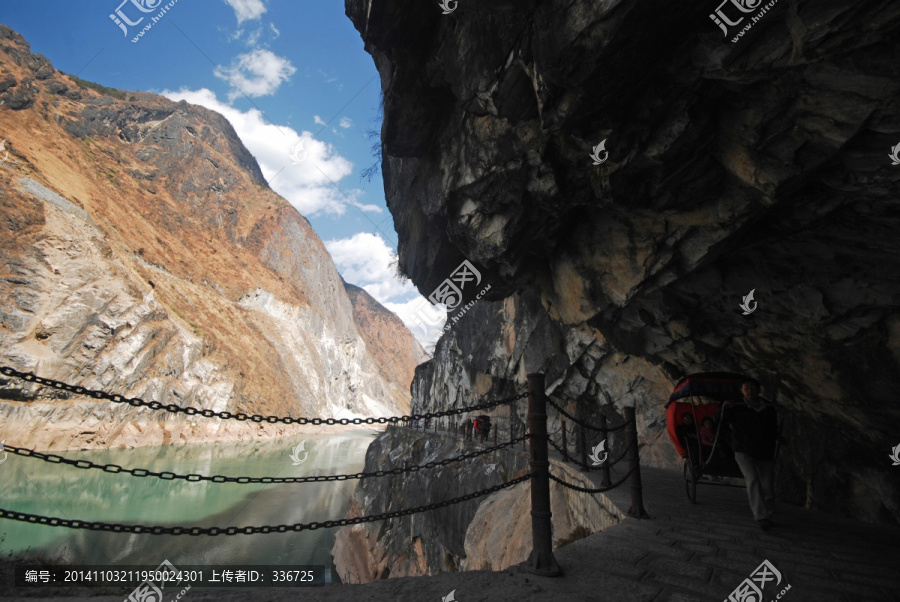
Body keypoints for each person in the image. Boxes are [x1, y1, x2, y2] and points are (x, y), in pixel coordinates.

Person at [720, 378, 779, 529]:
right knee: (753, 479)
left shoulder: (768, 408)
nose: (750, 390)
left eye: (753, 387)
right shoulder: (736, 406)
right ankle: (761, 516)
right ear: (741, 391)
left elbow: (773, 428)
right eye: (746, 388)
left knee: (768, 485)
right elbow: (718, 419)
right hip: (743, 449)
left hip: (765, 450)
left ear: (759, 390)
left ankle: (769, 515)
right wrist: (726, 408)